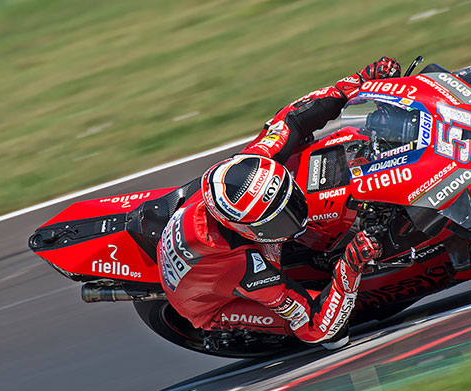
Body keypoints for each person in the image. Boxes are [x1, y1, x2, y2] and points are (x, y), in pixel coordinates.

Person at [156, 57, 401, 349]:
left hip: (200, 233)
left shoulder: (253, 163)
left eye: (289, 204)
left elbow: (291, 118)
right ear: (247, 229)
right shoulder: (249, 271)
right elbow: (315, 327)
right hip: (208, 300)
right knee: (336, 337)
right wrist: (350, 265)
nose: (294, 215)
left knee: (303, 147)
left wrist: (358, 82)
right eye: (279, 218)